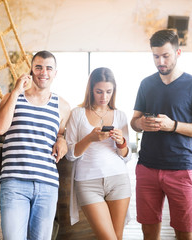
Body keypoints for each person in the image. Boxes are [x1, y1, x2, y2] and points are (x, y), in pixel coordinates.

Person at [130, 29, 192, 240]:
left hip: (180, 169)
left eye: (165, 55)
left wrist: (173, 125)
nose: (160, 61)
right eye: (156, 56)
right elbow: (134, 122)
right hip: (146, 168)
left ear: (178, 53)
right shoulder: (146, 84)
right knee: (148, 232)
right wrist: (142, 123)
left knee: (185, 233)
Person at [0, 50, 71, 240]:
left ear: (55, 73)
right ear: (31, 70)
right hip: (14, 182)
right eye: (38, 67)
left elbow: (62, 134)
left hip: (47, 185)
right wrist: (16, 92)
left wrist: (62, 139)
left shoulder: (62, 106)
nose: (43, 72)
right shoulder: (13, 97)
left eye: (48, 68)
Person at [65, 67, 132, 239]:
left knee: (117, 236)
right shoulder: (77, 114)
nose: (104, 97)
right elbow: (70, 154)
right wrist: (90, 138)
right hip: (88, 183)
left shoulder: (120, 115)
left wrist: (121, 142)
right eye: (99, 91)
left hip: (118, 180)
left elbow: (126, 156)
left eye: (109, 92)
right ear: (91, 90)